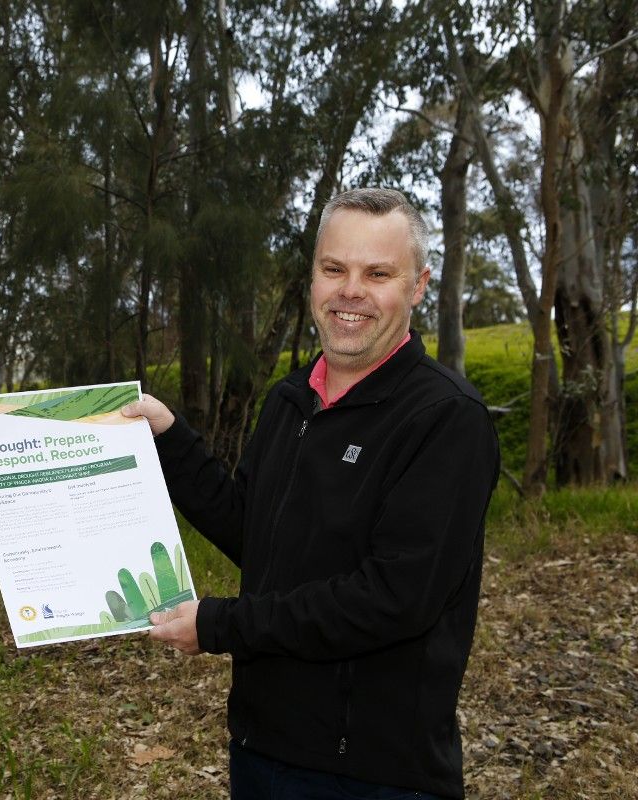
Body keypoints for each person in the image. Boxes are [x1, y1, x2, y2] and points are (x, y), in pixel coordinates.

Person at [124, 188, 499, 799]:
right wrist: (168, 438)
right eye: (334, 269)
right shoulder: (290, 399)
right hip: (260, 748)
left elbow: (392, 599)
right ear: (313, 278)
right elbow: (256, 534)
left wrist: (222, 624)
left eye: (378, 273)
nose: (351, 291)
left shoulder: (445, 419)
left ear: (419, 285)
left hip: (374, 775)